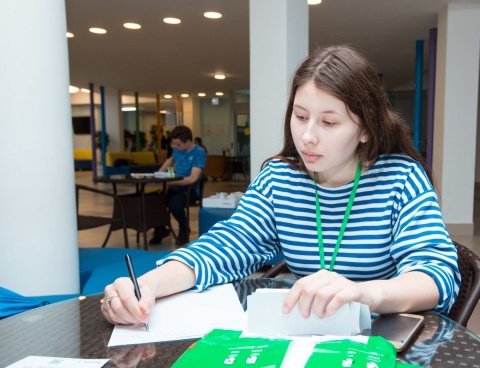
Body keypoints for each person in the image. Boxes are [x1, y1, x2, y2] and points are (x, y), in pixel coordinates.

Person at [101, 45, 460, 328]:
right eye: (300, 117)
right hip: (305, 332)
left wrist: (362, 293)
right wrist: (149, 285)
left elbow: (437, 276)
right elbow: (228, 245)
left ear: (365, 129)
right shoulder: (279, 178)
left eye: (329, 122)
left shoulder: (400, 179)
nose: (307, 136)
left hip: (378, 340)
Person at [149, 125, 207, 246]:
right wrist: (159, 174)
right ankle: (160, 228)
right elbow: (171, 161)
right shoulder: (177, 150)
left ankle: (184, 227)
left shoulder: (199, 153)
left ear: (188, 142)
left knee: (174, 203)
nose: (176, 147)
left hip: (190, 189)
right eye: (174, 144)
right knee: (154, 199)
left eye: (178, 144)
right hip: (175, 185)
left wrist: (169, 182)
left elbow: (193, 178)